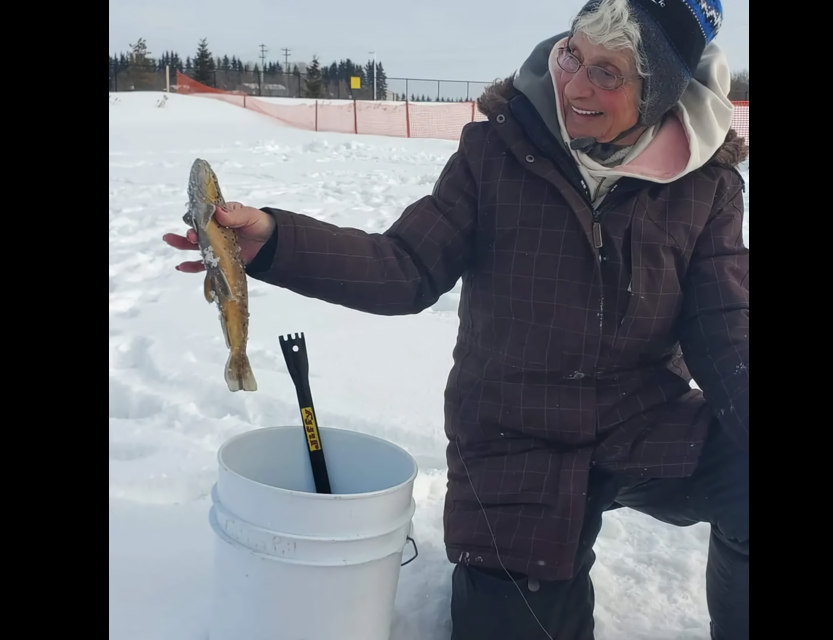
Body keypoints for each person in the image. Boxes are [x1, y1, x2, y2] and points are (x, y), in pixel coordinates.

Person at [164, 0, 749, 637]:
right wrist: (271, 242)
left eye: (609, 73)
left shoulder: (703, 184)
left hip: (642, 422)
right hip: (514, 439)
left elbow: (726, 327)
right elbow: (405, 266)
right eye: (573, 54)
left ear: (658, 90)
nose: (576, 85)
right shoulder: (497, 150)